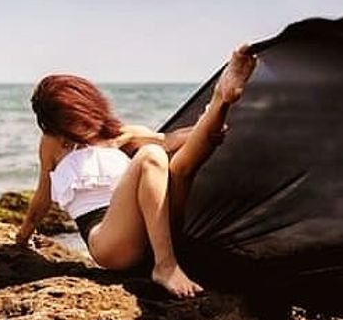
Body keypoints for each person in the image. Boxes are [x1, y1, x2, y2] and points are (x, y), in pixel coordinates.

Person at [16, 43, 258, 298]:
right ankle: (165, 266)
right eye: (69, 121)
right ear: (54, 125)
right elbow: (43, 196)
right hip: (109, 244)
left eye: (81, 114)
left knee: (179, 168)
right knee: (151, 156)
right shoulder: (53, 144)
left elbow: (172, 139)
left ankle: (222, 99)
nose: (79, 124)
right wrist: (23, 237)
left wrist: (210, 126)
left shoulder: (123, 134)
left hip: (155, 230)